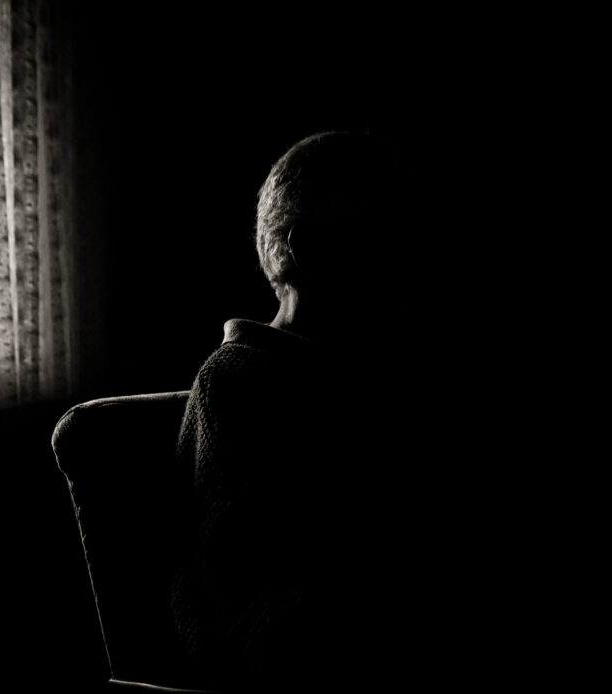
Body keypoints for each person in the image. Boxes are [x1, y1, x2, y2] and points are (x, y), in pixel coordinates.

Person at [170, 131, 418, 689]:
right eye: (382, 234)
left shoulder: (367, 377)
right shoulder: (237, 384)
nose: (404, 260)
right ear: (307, 249)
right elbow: (235, 600)